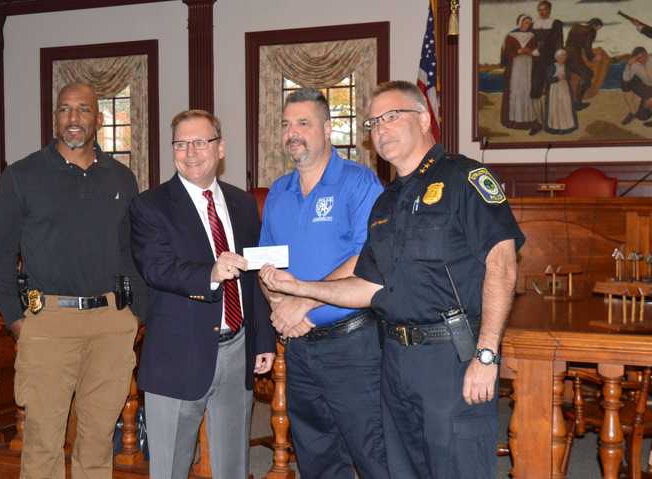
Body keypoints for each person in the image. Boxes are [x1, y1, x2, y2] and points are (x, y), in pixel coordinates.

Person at [260, 80, 525, 479]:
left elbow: (502, 265)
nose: (380, 128)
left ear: (423, 118)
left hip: (451, 356)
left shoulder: (464, 178)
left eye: (391, 116)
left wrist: (486, 355)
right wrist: (298, 290)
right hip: (396, 358)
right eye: (373, 122)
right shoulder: (387, 203)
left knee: (456, 468)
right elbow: (367, 286)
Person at [0, 81, 146, 479]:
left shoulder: (121, 179)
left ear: (99, 118)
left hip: (111, 324)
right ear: (55, 117)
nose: (73, 119)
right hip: (48, 322)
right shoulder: (22, 176)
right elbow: (0, 251)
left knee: (97, 441)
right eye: (64, 110)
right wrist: (16, 319)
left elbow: (132, 250)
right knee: (42, 443)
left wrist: (136, 314)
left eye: (83, 110)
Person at [129, 109, 276, 478]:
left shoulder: (242, 203)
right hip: (177, 354)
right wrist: (209, 273)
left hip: (237, 349)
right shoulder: (150, 205)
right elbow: (156, 268)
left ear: (220, 148)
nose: (190, 152)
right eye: (181, 143)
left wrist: (263, 339)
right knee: (170, 469)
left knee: (232, 467)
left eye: (200, 142)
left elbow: (253, 274)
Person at [259, 88, 387, 478]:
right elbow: (267, 263)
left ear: (328, 129)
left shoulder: (358, 182)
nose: (292, 132)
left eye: (303, 123)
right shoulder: (279, 192)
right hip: (298, 348)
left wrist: (304, 302)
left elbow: (369, 253)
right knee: (315, 454)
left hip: (352, 347)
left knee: (373, 452)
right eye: (286, 124)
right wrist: (279, 308)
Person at [501, 14, 541, 134]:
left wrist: (531, 52)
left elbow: (536, 52)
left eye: (529, 23)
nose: (527, 25)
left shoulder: (532, 36)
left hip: (528, 65)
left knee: (526, 91)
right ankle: (514, 120)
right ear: (520, 23)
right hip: (515, 66)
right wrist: (518, 51)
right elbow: (506, 53)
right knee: (516, 90)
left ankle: (527, 120)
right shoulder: (510, 36)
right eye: (525, 22)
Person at [531, 1, 564, 129]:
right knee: (535, 91)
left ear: (549, 10)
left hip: (550, 61)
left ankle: (551, 122)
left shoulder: (556, 23)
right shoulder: (534, 24)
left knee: (551, 91)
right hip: (536, 62)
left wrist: (558, 60)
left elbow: (559, 42)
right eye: (539, 9)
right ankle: (539, 122)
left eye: (544, 9)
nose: (541, 12)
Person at [565, 18, 603, 110]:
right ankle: (577, 103)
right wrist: (593, 57)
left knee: (567, 77)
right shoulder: (591, 31)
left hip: (566, 53)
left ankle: (568, 102)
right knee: (588, 74)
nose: (598, 30)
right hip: (575, 55)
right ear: (595, 25)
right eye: (599, 28)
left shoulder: (575, 27)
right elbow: (587, 46)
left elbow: (568, 42)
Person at [545, 49, 578, 134]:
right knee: (555, 107)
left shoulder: (566, 67)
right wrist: (557, 78)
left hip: (564, 88)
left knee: (565, 106)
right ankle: (555, 126)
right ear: (557, 57)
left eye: (564, 56)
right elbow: (549, 79)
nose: (563, 58)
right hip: (554, 90)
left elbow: (569, 76)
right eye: (561, 56)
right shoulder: (552, 67)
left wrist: (566, 77)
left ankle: (566, 126)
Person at [621, 46, 652, 127]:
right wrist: (628, 65)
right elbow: (626, 78)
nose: (642, 59)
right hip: (648, 88)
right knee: (642, 116)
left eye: (644, 56)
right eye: (638, 58)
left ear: (646, 54)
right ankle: (632, 112)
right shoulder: (635, 65)